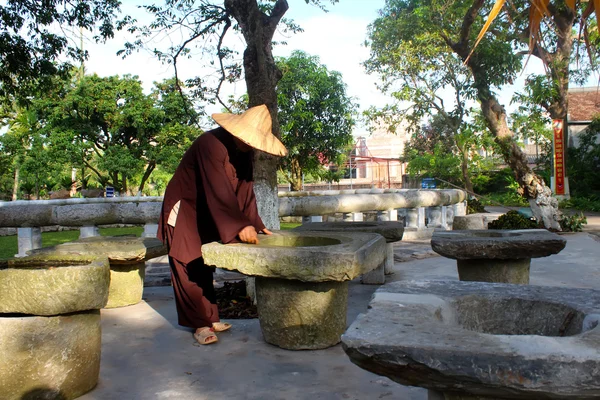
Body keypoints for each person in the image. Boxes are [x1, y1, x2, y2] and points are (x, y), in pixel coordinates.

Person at [157, 104, 287, 345]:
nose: (251, 145)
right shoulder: (210, 144)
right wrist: (239, 225)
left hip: (206, 210)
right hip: (184, 208)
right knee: (187, 262)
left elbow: (246, 189)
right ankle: (199, 323)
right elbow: (218, 188)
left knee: (204, 263)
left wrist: (254, 222)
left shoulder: (245, 153)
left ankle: (211, 317)